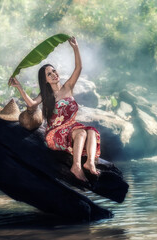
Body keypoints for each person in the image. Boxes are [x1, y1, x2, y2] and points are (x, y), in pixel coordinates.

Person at [8, 36, 100, 182]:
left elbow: (78, 68)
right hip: (55, 132)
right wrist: (19, 87)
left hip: (72, 128)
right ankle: (76, 166)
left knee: (92, 132)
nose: (53, 74)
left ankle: (89, 163)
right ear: (45, 80)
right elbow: (32, 103)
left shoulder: (68, 87)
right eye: (49, 74)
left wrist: (75, 48)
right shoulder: (45, 95)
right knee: (82, 132)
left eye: (54, 71)